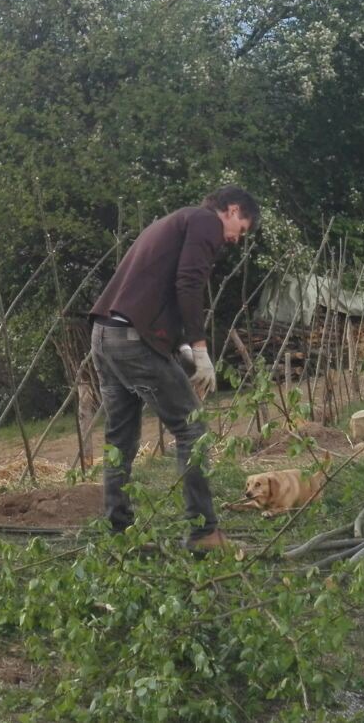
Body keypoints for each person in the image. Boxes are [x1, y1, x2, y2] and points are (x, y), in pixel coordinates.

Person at [88, 186, 259, 553]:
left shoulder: (175, 221)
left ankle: (118, 534)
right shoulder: (204, 222)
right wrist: (199, 349)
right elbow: (188, 282)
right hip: (133, 341)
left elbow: (157, 289)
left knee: (120, 440)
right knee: (192, 428)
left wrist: (177, 344)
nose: (234, 239)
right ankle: (203, 534)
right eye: (241, 229)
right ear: (231, 210)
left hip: (106, 335)